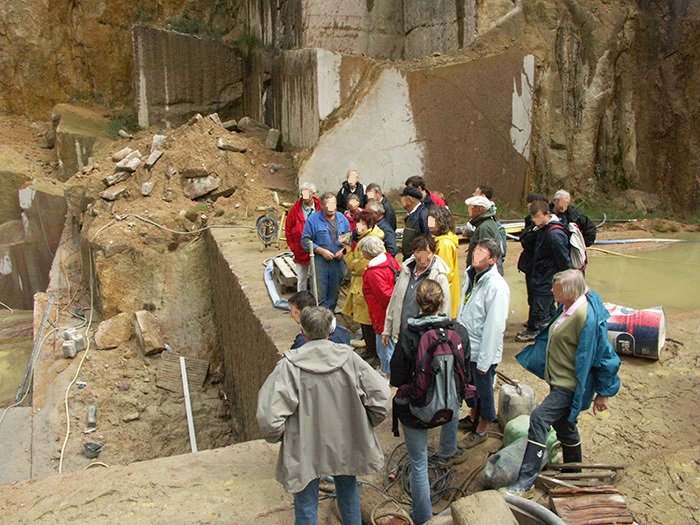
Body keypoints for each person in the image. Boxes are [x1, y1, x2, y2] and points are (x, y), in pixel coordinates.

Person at [257, 306, 391, 525]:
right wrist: (365, 422)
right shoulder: (349, 359)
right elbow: (382, 396)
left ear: (303, 331)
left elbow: (268, 418)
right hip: (345, 440)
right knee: (348, 492)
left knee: (306, 503)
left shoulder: (289, 366)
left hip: (305, 446)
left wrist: (284, 436)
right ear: (330, 330)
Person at [505, 270, 621, 494]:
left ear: (569, 291)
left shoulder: (585, 317)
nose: (551, 290)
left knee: (539, 418)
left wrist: (604, 392)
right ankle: (573, 470)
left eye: (555, 287)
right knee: (564, 425)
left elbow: (606, 357)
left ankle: (525, 481)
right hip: (558, 379)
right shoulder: (567, 308)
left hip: (569, 385)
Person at [390, 279, 468, 525]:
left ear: (417, 303)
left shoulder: (409, 334)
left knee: (419, 463)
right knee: (451, 402)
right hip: (451, 404)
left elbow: (397, 377)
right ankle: (448, 450)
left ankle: (423, 518)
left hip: (418, 409)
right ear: (442, 301)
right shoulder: (460, 331)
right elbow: (465, 370)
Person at [455, 239, 510, 447]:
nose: (475, 255)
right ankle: (472, 416)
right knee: (469, 388)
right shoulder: (471, 276)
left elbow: (495, 327)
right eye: (475, 251)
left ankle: (482, 428)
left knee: (484, 390)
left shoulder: (496, 287)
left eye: (481, 253)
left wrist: (485, 362)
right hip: (467, 346)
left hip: (482, 350)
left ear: (492, 260)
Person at [382, 235, 450, 349]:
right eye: (419, 252)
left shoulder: (439, 278)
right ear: (413, 252)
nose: (423, 257)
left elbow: (445, 310)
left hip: (424, 340)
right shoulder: (405, 271)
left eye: (427, 253)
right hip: (401, 335)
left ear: (433, 253)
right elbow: (395, 300)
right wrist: (387, 329)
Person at [516, 201, 572, 342]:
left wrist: (563, 281)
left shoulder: (554, 234)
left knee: (542, 314)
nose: (535, 221)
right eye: (533, 218)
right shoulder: (540, 228)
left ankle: (546, 342)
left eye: (538, 217)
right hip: (540, 277)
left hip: (547, 280)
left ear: (548, 214)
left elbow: (564, 261)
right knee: (546, 311)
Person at [342, 210, 384, 364]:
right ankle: (370, 350)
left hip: (366, 287)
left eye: (362, 224)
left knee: (370, 323)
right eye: (357, 223)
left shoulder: (370, 242)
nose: (358, 227)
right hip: (360, 286)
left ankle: (375, 354)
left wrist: (347, 252)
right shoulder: (363, 239)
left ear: (370, 225)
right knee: (364, 323)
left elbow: (358, 266)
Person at [359, 235, 401, 377]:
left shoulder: (373, 272)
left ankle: (386, 371)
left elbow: (385, 296)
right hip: (392, 311)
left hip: (381, 313)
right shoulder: (390, 260)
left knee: (384, 345)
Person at [301, 192, 351, 310]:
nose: (331, 207)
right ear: (322, 206)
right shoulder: (313, 220)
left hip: (338, 264)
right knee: (319, 295)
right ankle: (318, 320)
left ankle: (330, 318)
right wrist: (321, 251)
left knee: (333, 295)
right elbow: (305, 241)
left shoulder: (342, 219)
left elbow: (348, 239)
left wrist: (343, 251)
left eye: (333, 204)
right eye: (327, 204)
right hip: (320, 264)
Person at [517, 194, 548, 329]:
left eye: (531, 203)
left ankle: (535, 326)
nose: (528, 205)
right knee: (532, 296)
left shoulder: (547, 227)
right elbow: (524, 240)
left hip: (540, 266)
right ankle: (533, 321)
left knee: (539, 297)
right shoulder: (530, 221)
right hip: (530, 264)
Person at [285, 182, 321, 291]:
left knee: (316, 278)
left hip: (318, 249)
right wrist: (293, 247)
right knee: (301, 279)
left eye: (307, 193)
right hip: (300, 250)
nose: (304, 196)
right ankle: (301, 302)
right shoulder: (294, 210)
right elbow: (288, 230)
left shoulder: (320, 208)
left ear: (313, 194)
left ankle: (316, 301)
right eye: (302, 193)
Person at [428, 206, 460, 319]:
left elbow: (444, 273)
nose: (429, 223)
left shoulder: (444, 244)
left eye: (432, 220)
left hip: (444, 297)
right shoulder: (443, 240)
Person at [464, 195, 503, 275]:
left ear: (480, 210)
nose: (469, 210)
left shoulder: (485, 228)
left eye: (471, 207)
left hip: (485, 274)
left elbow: (484, 254)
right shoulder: (485, 224)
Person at [399, 185, 430, 261]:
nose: (400, 200)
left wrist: (423, 261)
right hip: (411, 260)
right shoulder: (411, 215)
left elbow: (428, 239)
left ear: (409, 200)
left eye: (402, 197)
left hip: (417, 261)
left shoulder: (426, 215)